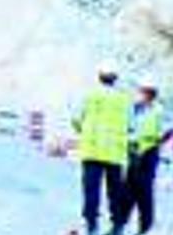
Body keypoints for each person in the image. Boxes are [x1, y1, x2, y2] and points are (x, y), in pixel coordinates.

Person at [72, 62, 132, 235]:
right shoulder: (124, 99)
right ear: (115, 79)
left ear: (99, 76)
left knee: (91, 190)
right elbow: (131, 125)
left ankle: (91, 225)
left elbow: (76, 119)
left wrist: (84, 132)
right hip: (115, 153)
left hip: (92, 151)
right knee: (115, 191)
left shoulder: (89, 96)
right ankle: (117, 226)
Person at [124, 76, 173, 234]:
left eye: (149, 92)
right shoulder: (133, 109)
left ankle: (145, 226)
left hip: (148, 153)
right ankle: (121, 222)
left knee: (144, 190)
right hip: (133, 151)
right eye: (143, 92)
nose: (145, 95)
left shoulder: (159, 110)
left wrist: (158, 141)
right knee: (128, 188)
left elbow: (170, 129)